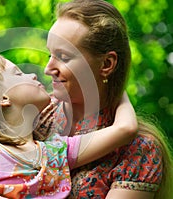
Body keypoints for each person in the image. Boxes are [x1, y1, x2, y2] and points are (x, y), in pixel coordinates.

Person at [0, 53, 138, 198]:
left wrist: (108, 81)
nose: (34, 74)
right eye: (18, 74)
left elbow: (125, 129)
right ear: (3, 97)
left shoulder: (54, 152)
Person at [43, 0, 173, 198]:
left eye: (63, 56)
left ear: (107, 64)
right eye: (50, 54)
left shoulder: (138, 150)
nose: (48, 69)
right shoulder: (36, 117)